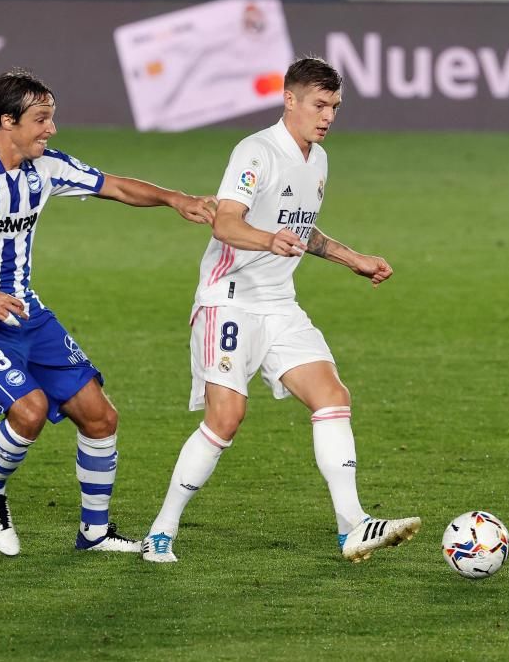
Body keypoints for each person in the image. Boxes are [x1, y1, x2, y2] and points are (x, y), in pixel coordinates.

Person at [140, 57, 421, 564]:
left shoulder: (318, 160)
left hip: (278, 306)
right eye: (319, 104)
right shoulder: (256, 151)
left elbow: (301, 228)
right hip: (227, 301)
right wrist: (269, 239)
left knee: (332, 396)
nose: (328, 116)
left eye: (335, 107)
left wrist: (349, 257)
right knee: (226, 418)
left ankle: (352, 525)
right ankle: (162, 529)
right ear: (289, 99)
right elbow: (226, 224)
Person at [0, 69, 216, 556]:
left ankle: (94, 533)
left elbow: (112, 185)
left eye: (52, 118)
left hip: (27, 314)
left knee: (100, 417)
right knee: (27, 413)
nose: (50, 129)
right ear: (7, 121)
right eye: (40, 120)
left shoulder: (43, 168)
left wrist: (174, 198)